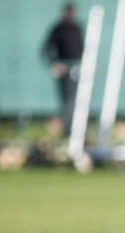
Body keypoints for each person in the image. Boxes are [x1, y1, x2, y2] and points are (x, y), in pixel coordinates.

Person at [42, 3, 84, 137]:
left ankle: (72, 129)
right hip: (63, 70)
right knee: (66, 100)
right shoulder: (58, 29)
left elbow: (82, 48)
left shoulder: (77, 28)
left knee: (75, 100)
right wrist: (54, 64)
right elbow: (47, 49)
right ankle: (66, 130)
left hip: (76, 68)